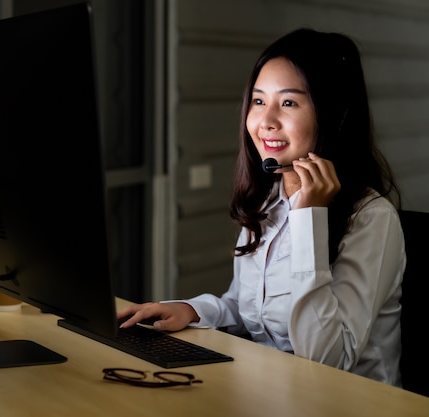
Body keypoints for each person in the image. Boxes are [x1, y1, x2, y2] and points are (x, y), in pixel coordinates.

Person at [118, 28, 405, 386]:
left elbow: (328, 360)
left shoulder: (372, 219)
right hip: (269, 393)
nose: (265, 120)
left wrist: (308, 218)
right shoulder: (269, 199)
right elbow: (250, 309)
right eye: (257, 101)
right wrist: (193, 310)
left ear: (333, 115)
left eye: (288, 103)